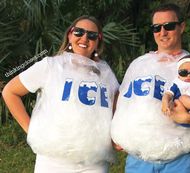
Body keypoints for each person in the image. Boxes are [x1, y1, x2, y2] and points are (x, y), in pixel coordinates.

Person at [111, 3, 190, 173]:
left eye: (169, 26)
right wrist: (117, 133)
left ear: (182, 27)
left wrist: (188, 118)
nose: (163, 32)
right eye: (156, 28)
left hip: (178, 161)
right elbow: (123, 100)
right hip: (138, 160)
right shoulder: (139, 63)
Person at [2, 15, 119, 173]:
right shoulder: (51, 66)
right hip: (53, 162)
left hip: (94, 164)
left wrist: (119, 136)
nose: (84, 38)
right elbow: (10, 92)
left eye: (92, 35)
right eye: (79, 32)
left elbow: (117, 108)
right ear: (70, 35)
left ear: (98, 42)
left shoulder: (106, 74)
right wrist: (32, 131)